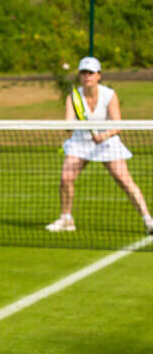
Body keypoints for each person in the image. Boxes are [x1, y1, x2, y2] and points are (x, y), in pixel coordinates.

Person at [47, 56, 153, 235]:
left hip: (107, 142)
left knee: (124, 180)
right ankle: (66, 219)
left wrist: (104, 135)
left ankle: (148, 219)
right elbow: (67, 125)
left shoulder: (109, 95)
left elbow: (117, 125)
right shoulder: (73, 97)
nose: (87, 76)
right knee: (66, 179)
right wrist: (74, 125)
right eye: (83, 73)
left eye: (91, 73)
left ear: (99, 76)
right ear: (80, 76)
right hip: (80, 142)